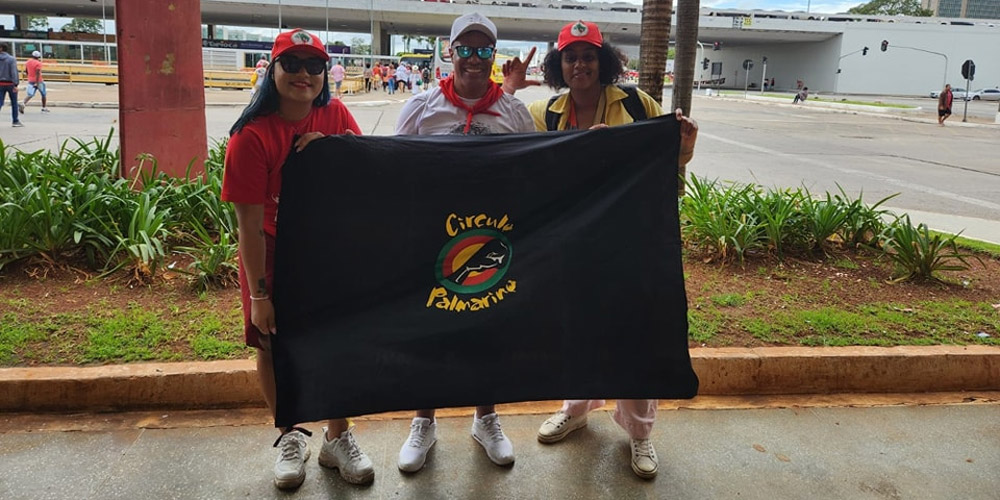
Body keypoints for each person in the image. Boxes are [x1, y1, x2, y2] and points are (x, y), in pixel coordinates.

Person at [501, 20, 698, 480]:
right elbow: (515, 156)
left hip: (630, 239)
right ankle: (577, 406)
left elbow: (663, 165)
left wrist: (683, 150)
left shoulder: (635, 102)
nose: (580, 64)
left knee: (634, 328)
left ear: (603, 60)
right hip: (572, 242)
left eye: (588, 55)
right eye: (570, 56)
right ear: (559, 64)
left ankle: (640, 431)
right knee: (577, 324)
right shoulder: (545, 113)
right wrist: (508, 91)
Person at [220, 28, 374, 490]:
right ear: (274, 71)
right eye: (292, 64)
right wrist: (258, 295)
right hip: (270, 251)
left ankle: (337, 437)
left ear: (325, 73)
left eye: (314, 66)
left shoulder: (334, 112)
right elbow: (247, 225)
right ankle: (289, 434)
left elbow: (368, 164)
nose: (303, 74)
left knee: (332, 340)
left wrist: (335, 147)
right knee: (272, 345)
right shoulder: (251, 136)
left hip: (324, 248)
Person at [393, 12, 534, 472]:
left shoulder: (514, 113)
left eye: (484, 50)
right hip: (434, 242)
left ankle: (486, 418)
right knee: (430, 329)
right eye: (466, 49)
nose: (475, 59)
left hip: (494, 239)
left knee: (488, 328)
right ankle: (423, 422)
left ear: (493, 55)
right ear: (451, 52)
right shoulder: (421, 106)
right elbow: (394, 170)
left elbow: (538, 171)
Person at [0, 43, 23, 127]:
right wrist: (16, 84)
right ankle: (15, 121)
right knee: (14, 102)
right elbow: (14, 72)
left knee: (0, 102)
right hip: (10, 83)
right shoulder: (11, 59)